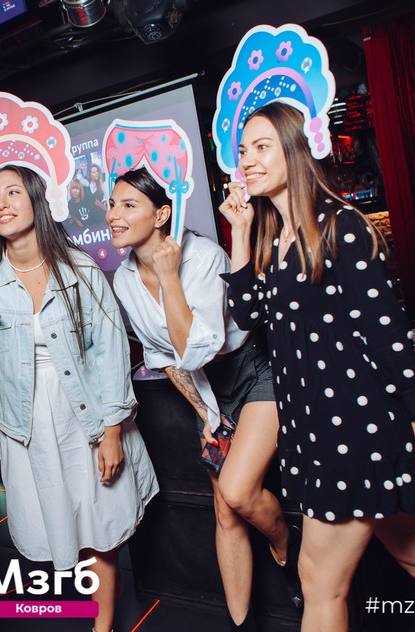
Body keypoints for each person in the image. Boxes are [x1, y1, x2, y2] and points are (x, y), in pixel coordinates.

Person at [218, 101, 415, 632]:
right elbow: (247, 314)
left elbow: (389, 339)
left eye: (262, 147)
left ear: (295, 151)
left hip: (355, 435)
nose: (247, 160)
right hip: (319, 431)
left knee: (320, 582)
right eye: (243, 150)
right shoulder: (276, 237)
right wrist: (240, 232)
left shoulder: (341, 227)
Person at [0, 165, 158, 632]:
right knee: (67, 522)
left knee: (100, 522)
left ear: (37, 200)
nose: (1, 204)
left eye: (12, 192)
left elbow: (110, 352)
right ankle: (105, 592)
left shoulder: (79, 269)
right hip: (27, 424)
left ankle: (102, 624)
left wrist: (111, 432)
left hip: (84, 414)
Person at [108, 167, 300, 630]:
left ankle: (286, 541)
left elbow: (197, 347)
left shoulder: (204, 258)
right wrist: (205, 413)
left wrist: (169, 278)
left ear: (162, 215)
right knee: (224, 509)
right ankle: (241, 624)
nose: (113, 215)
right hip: (206, 387)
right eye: (112, 205)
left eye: (128, 205)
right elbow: (163, 357)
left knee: (238, 490)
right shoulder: (124, 279)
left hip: (254, 369)